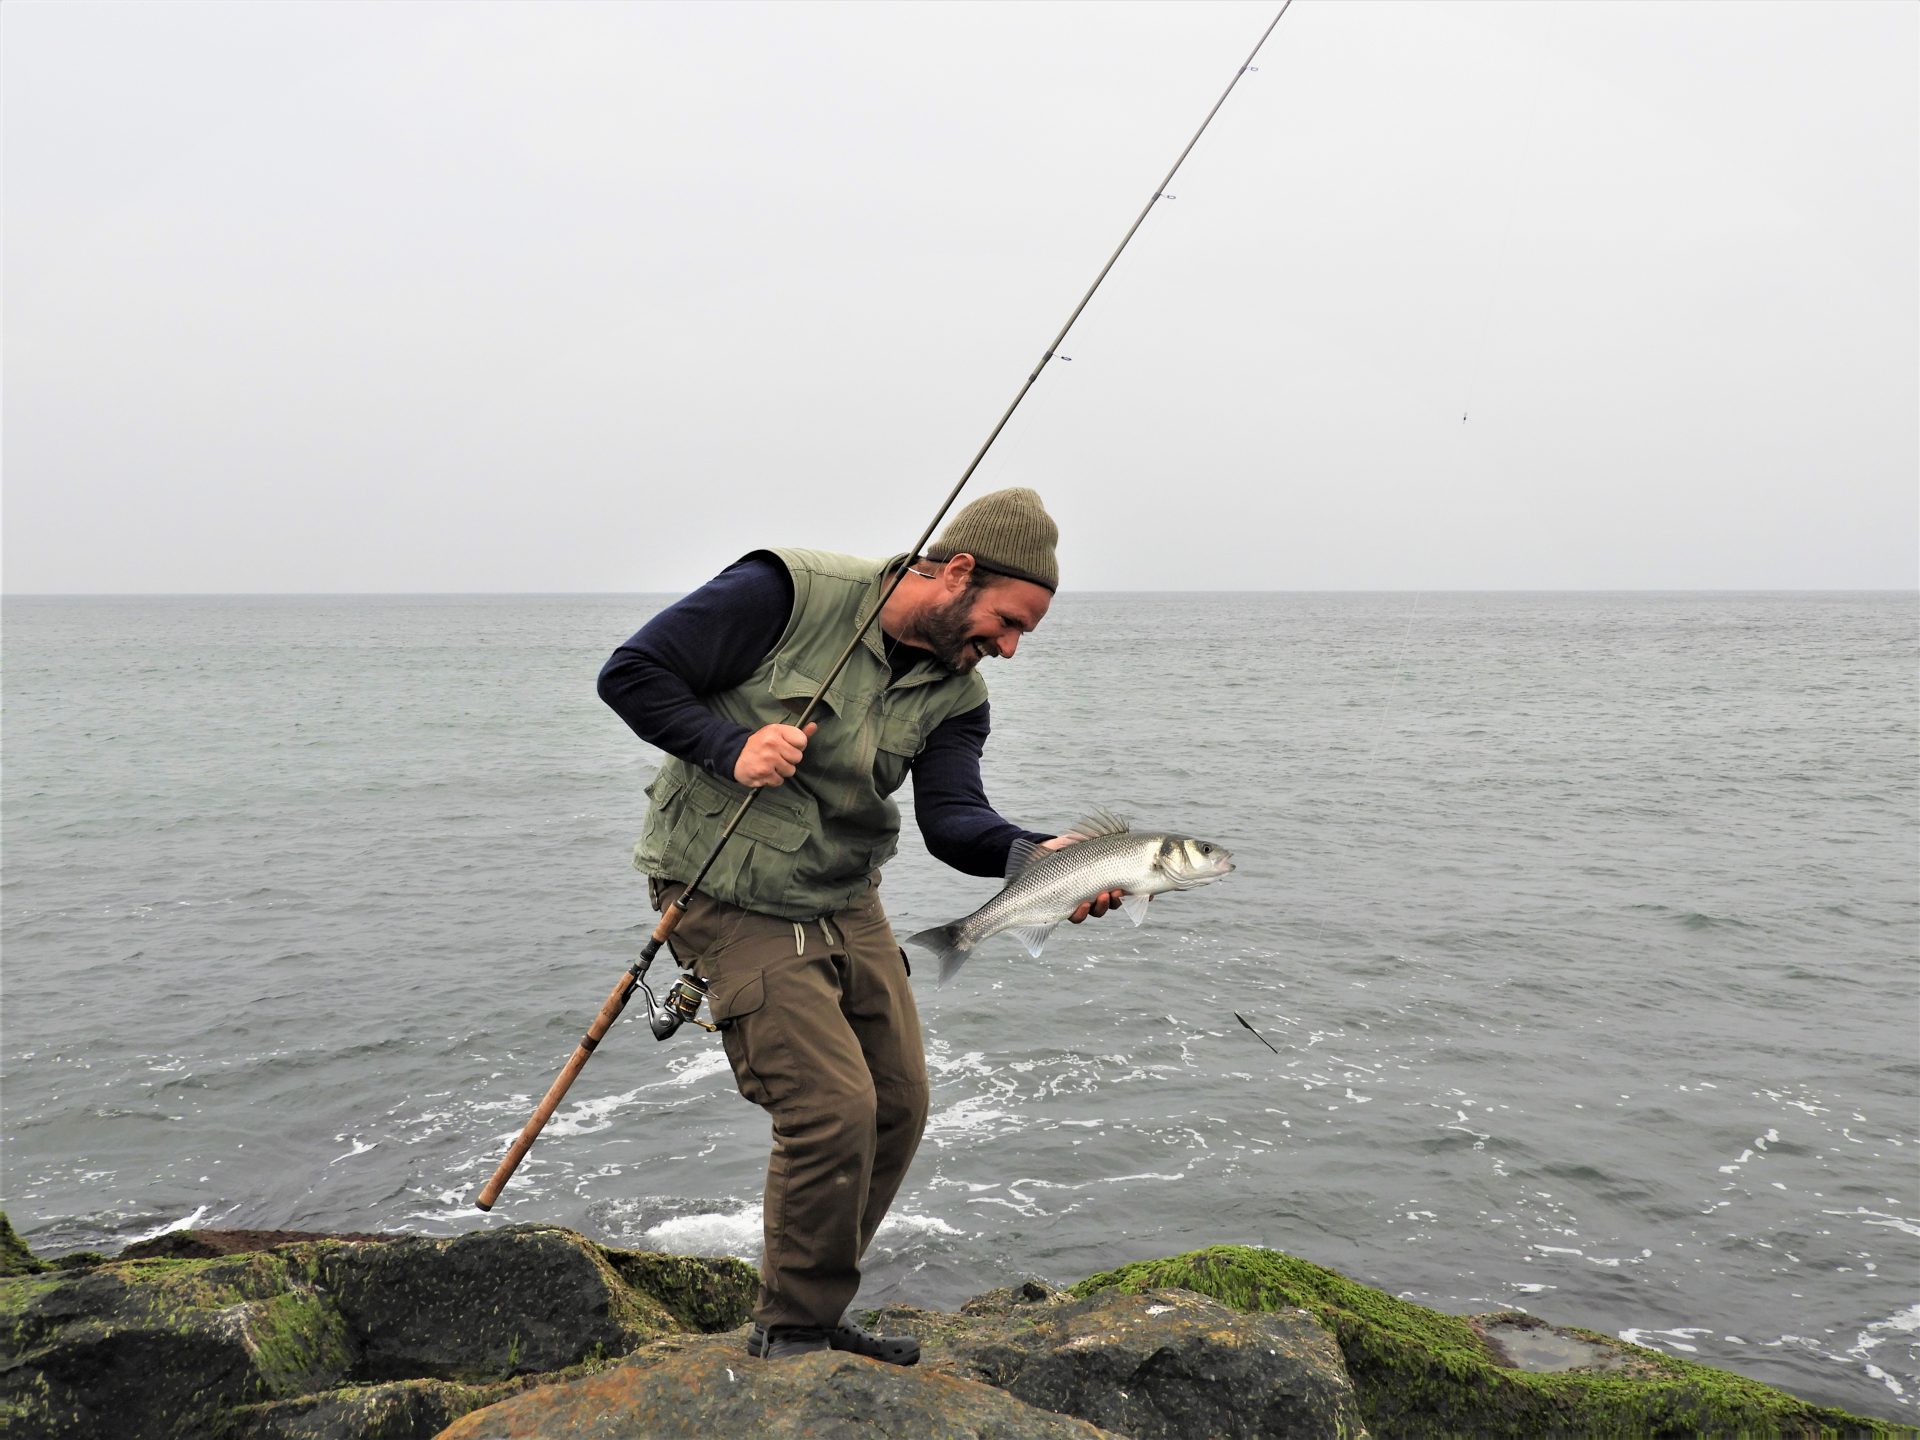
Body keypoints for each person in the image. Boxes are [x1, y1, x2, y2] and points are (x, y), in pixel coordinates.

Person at [598, 487, 1119, 1364]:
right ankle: (793, 1330)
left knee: (900, 1106)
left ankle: (815, 1301)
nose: (1011, 647)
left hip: (844, 892)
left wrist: (1041, 855)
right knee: (831, 1108)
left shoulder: (962, 694)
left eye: (1025, 632)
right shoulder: (785, 592)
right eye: (1006, 620)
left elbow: (954, 820)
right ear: (957, 571)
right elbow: (632, 673)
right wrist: (729, 746)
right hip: (726, 889)